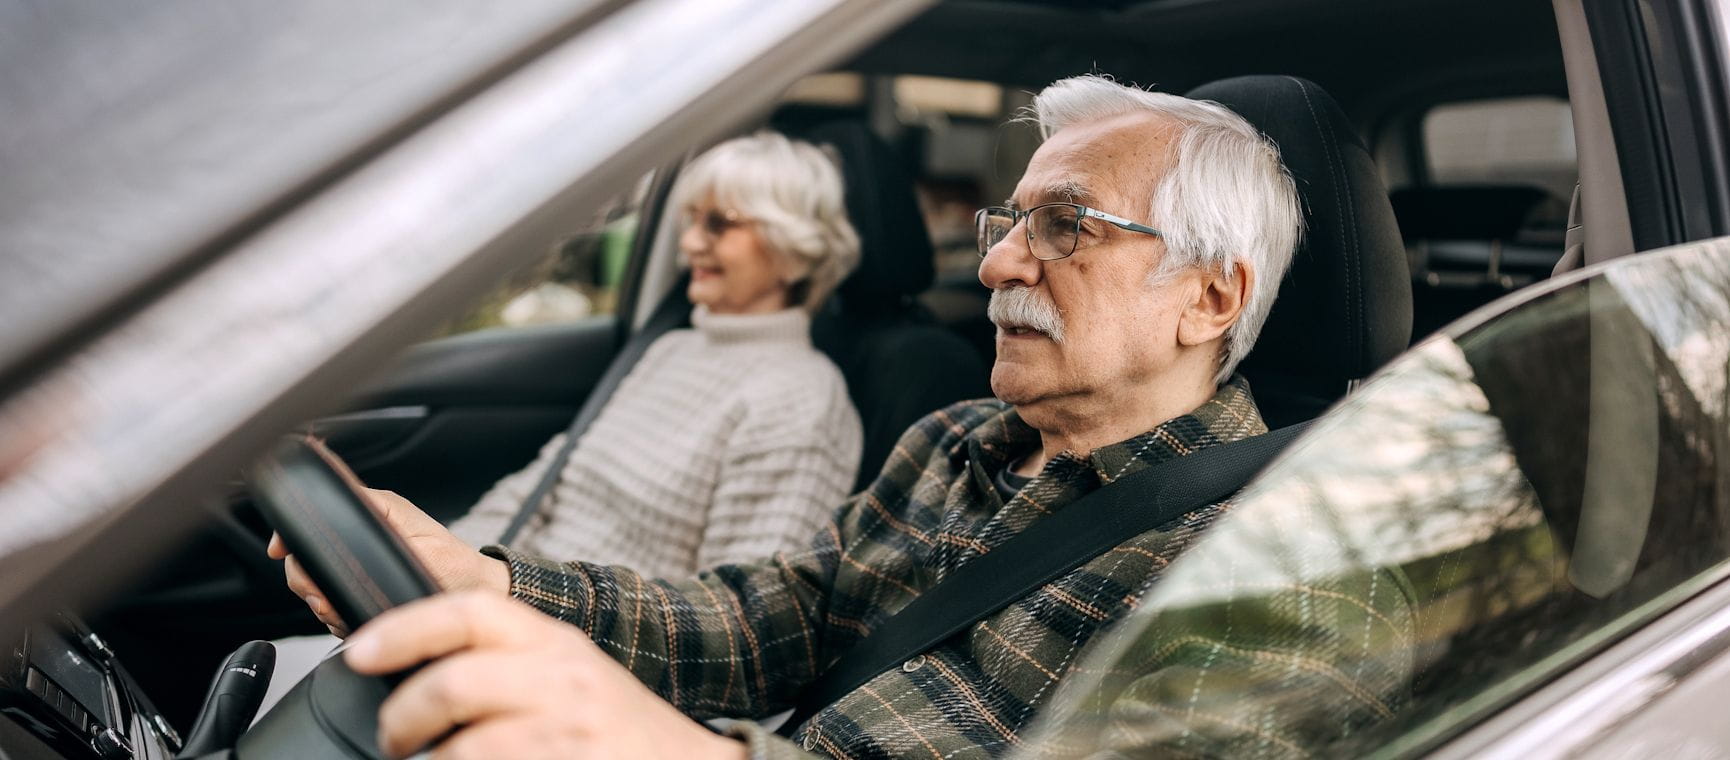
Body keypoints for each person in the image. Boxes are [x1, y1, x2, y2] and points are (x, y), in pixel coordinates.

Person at [273, 74, 1406, 758]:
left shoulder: (1295, 574)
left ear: (1210, 299)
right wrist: (498, 586)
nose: (999, 262)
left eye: (1065, 226)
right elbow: (773, 619)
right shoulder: (953, 443)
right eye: (1008, 222)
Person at [450, 131, 864, 577]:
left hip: (564, 616)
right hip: (505, 585)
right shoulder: (670, 348)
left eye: (719, 223)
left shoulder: (802, 401)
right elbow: (540, 485)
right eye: (692, 220)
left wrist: (500, 589)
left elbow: (737, 607)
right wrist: (452, 558)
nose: (690, 244)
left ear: (793, 249)